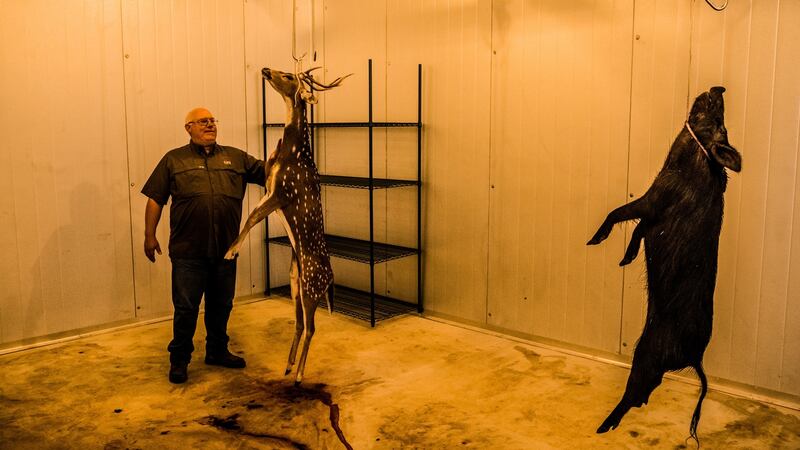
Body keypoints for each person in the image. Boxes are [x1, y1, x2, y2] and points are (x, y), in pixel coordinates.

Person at [142, 107, 266, 384]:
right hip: (189, 251)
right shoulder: (174, 160)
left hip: (226, 250)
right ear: (188, 128)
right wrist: (149, 236)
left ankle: (217, 351)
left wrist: (290, 151)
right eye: (202, 121)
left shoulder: (236, 157)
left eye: (212, 120)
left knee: (221, 304)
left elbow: (270, 172)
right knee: (186, 307)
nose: (209, 125)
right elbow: (155, 199)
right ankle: (179, 359)